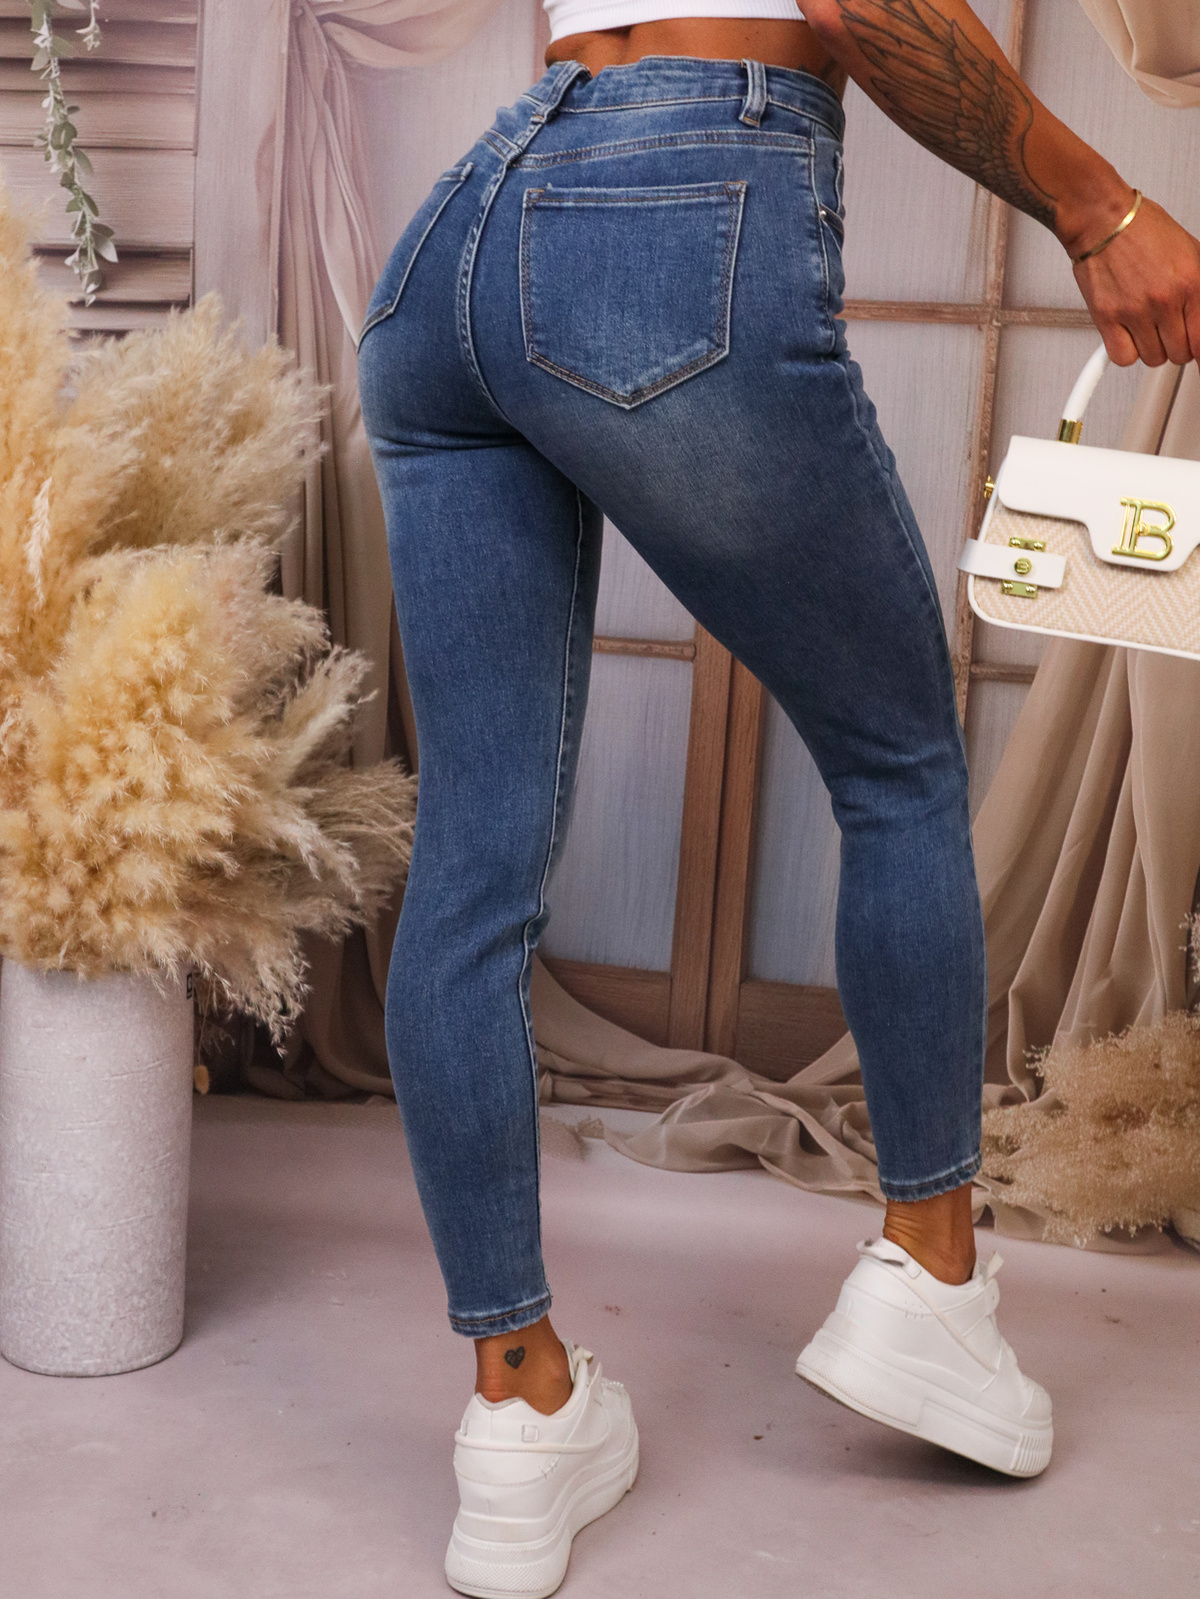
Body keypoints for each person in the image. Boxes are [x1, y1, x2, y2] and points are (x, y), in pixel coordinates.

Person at [358, 4, 1200, 1594]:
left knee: (473, 870)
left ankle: (518, 1412)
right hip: (675, 201)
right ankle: (932, 1283)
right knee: (898, 766)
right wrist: (1101, 208)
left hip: (461, 237)